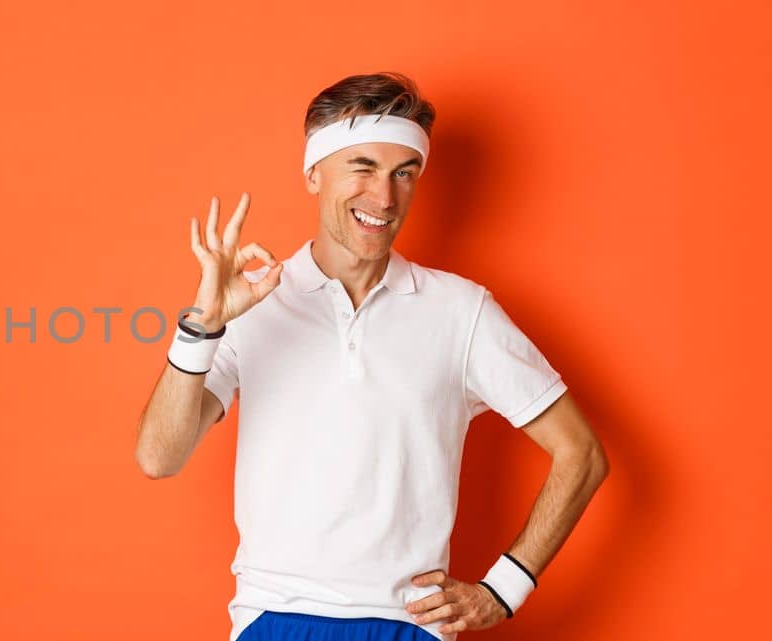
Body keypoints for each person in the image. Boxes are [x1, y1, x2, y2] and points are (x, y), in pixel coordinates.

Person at [133, 72, 609, 641]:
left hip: (406, 625)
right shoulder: (252, 305)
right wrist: (203, 328)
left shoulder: (462, 311)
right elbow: (158, 457)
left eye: (403, 173)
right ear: (313, 172)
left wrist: (503, 590)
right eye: (362, 166)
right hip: (274, 616)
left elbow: (581, 453)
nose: (385, 197)